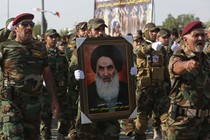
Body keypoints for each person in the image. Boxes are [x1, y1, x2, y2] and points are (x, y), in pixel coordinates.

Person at [72, 18, 137, 140]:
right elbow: (69, 77)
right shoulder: (79, 51)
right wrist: (74, 76)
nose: (100, 32)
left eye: (102, 29)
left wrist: (131, 71)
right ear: (89, 31)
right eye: (97, 29)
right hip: (89, 106)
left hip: (110, 108)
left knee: (111, 134)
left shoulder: (114, 46)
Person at [0, 13, 60, 139]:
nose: (29, 27)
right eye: (25, 24)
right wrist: (6, 31)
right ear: (15, 28)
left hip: (34, 104)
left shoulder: (39, 47)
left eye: (31, 24)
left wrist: (54, 99)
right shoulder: (5, 47)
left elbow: (47, 74)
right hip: (12, 103)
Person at [167, 20, 210, 140]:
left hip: (205, 124)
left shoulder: (207, 60)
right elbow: (175, 67)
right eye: (196, 35)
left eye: (203, 35)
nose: (201, 38)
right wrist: (186, 65)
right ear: (185, 40)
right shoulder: (179, 56)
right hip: (183, 125)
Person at [133, 23, 169, 140]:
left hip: (159, 89)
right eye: (152, 31)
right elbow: (138, 52)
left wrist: (168, 85)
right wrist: (150, 47)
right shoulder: (141, 45)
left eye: (156, 31)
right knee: (141, 122)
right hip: (145, 89)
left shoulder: (161, 48)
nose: (154, 33)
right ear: (146, 32)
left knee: (166, 119)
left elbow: (166, 67)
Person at [40, 29, 70, 140]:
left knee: (66, 117)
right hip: (46, 92)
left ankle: (60, 136)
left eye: (55, 37)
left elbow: (66, 72)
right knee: (45, 121)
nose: (54, 39)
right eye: (51, 37)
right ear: (45, 38)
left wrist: (67, 86)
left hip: (61, 91)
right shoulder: (42, 54)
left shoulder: (61, 55)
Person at [88, 45, 129, 113]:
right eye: (101, 68)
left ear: (116, 69)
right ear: (96, 70)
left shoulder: (127, 89)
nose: (106, 73)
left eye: (110, 67)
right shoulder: (88, 92)